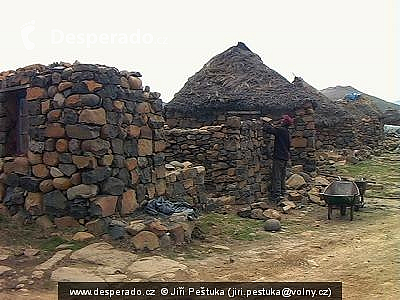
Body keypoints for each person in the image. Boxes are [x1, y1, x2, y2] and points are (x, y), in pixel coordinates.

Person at [264, 114, 294, 203]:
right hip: (285, 157)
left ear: (284, 123)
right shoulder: (286, 132)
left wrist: (266, 122)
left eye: (282, 120)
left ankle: (276, 196)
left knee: (276, 176)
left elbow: (269, 130)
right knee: (282, 176)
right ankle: (282, 192)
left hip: (279, 157)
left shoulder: (281, 130)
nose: (280, 121)